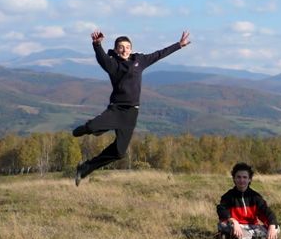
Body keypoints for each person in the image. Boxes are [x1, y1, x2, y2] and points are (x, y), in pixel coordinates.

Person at [72, 29, 191, 186]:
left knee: (119, 152)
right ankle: (87, 129)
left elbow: (158, 54)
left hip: (131, 113)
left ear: (131, 48)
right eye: (121, 47)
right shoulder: (113, 64)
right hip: (116, 109)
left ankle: (86, 167)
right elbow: (101, 58)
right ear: (116, 50)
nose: (124, 49)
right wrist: (97, 44)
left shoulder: (139, 61)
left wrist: (179, 45)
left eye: (127, 46)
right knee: (93, 126)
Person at [216, 162, 280, 239]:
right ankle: (258, 238)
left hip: (252, 227)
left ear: (249, 179)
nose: (241, 180)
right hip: (235, 226)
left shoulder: (255, 197)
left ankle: (239, 237)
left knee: (276, 227)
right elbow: (221, 210)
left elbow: (266, 211)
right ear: (234, 179)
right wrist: (233, 221)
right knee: (223, 225)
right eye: (238, 177)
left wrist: (272, 225)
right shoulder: (228, 196)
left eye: (245, 177)